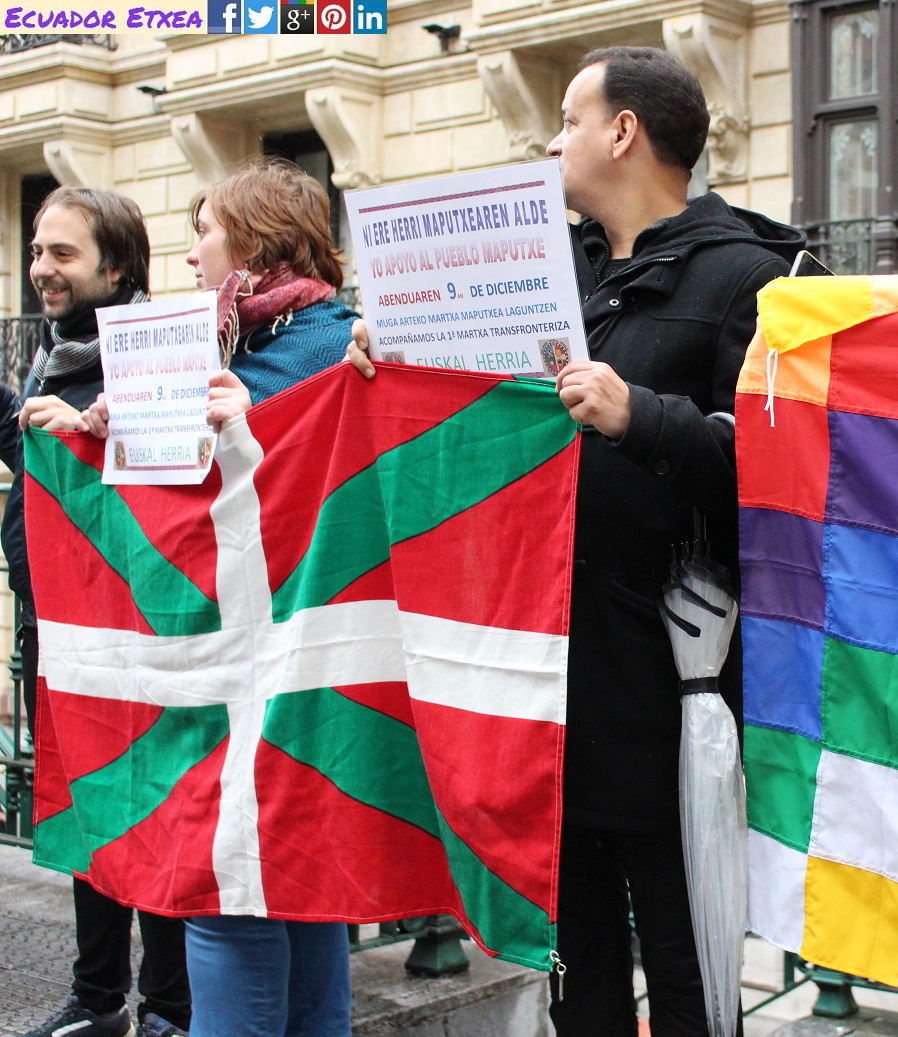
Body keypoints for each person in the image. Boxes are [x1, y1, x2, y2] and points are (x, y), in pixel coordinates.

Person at [350, 46, 804, 1035]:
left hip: (669, 686)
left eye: (567, 120)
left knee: (684, 963)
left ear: (623, 131)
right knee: (575, 959)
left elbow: (780, 479)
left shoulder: (750, 277)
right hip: (545, 678)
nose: (551, 143)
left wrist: (641, 416)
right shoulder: (546, 269)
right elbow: (471, 412)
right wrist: (393, 348)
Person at [82, 157, 358, 1037]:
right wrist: (99, 427)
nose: (192, 253)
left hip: (271, 657)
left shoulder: (316, 347)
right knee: (298, 887)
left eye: (204, 230)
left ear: (255, 242)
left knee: (231, 889)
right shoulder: (250, 345)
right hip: (267, 655)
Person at [11, 188, 193, 1037]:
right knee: (86, 809)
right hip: (52, 620)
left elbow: (170, 485)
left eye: (63, 254)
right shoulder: (50, 357)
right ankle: (97, 999)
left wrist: (86, 433)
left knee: (152, 812)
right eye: (36, 251)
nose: (42, 270)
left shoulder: (156, 350)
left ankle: (167, 1007)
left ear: (116, 267)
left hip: (134, 628)